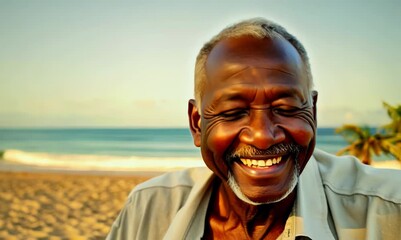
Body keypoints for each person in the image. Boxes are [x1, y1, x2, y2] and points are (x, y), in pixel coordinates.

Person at [107, 18, 401, 239]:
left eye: (285, 109)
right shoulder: (148, 209)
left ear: (312, 111)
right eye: (234, 112)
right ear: (197, 123)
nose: (262, 136)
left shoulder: (389, 210)